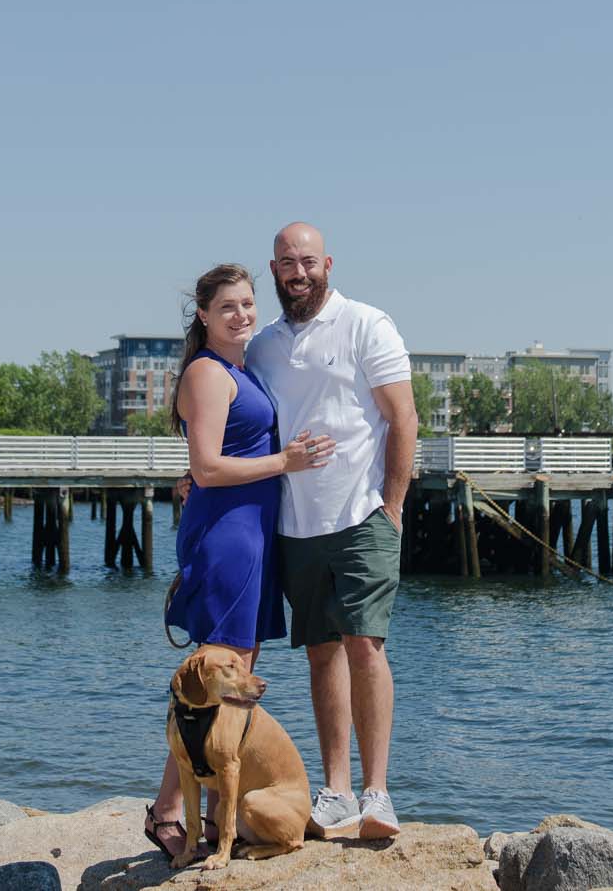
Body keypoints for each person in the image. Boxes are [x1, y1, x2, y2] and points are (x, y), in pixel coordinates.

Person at [146, 263, 334, 860]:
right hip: (227, 538)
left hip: (251, 534)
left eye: (249, 303)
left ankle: (192, 811)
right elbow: (207, 468)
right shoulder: (207, 372)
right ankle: (171, 810)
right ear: (203, 315)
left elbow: (208, 462)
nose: (242, 314)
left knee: (232, 674)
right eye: (228, 306)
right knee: (218, 676)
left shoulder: (238, 369)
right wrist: (287, 463)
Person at [245, 222, 416, 840]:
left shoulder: (368, 324)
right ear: (273, 270)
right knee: (321, 652)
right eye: (287, 262)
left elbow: (404, 419)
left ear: (329, 264)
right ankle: (337, 790)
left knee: (365, 644)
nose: (299, 272)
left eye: (308, 260)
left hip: (361, 512)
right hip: (296, 523)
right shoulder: (262, 346)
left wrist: (392, 507)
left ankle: (378, 794)